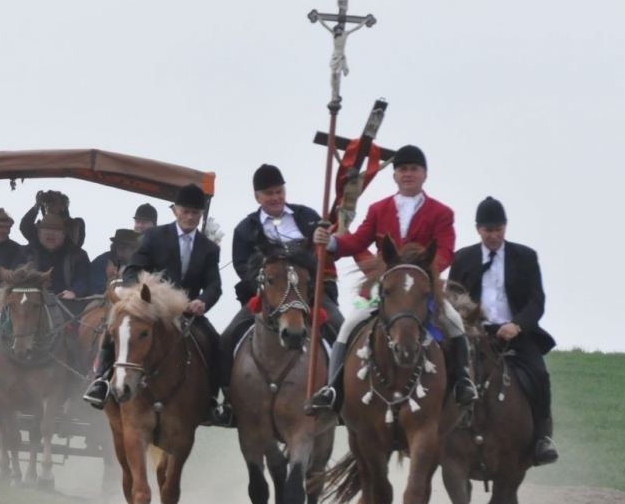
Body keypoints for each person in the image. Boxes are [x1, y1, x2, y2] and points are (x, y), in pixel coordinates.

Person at [309, 145, 476, 415]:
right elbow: (358, 241)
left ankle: (463, 382)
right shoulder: (378, 209)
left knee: (454, 322)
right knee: (349, 324)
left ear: (424, 175)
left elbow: (445, 251)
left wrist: (421, 273)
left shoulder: (441, 212)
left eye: (414, 169)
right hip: (383, 288)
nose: (408, 174)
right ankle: (333, 389)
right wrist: (330, 243)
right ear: (395, 176)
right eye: (402, 169)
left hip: (422, 289)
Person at [84, 184, 224, 418]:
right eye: (185, 211)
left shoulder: (208, 248)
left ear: (200, 215)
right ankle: (101, 382)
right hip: (149, 308)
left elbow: (214, 285)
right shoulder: (154, 236)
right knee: (115, 328)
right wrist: (134, 296)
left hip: (187, 313)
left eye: (195, 212)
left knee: (216, 342)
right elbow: (133, 270)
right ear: (175, 211)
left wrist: (202, 301)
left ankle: (211, 401)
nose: (190, 217)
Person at [448, 197, 559, 466]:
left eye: (498, 229)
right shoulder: (463, 258)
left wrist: (517, 325)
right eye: (488, 230)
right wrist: (467, 325)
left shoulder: (525, 256)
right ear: (478, 229)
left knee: (540, 375)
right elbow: (451, 298)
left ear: (506, 227)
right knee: (445, 370)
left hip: (515, 333)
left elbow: (537, 300)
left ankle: (542, 438)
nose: (494, 236)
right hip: (474, 335)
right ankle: (437, 433)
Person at [226, 163, 341, 334]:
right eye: (269, 193)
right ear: (257, 197)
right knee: (229, 335)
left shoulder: (308, 216)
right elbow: (242, 266)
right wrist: (266, 285)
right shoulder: (244, 229)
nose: (275, 197)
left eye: (279, 192)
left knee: (340, 325)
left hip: (310, 291)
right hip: (267, 293)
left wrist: (324, 239)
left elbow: (331, 253)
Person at [24, 211, 91, 299]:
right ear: (39, 233)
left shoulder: (78, 255)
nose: (51, 235)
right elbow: (17, 275)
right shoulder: (26, 252)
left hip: (66, 303)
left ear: (63, 234)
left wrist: (74, 292)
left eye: (56, 231)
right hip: (32, 301)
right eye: (46, 231)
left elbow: (83, 279)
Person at [89, 228, 141, 296]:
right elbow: (98, 291)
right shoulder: (102, 263)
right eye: (133, 249)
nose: (135, 253)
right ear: (121, 248)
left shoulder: (132, 264)